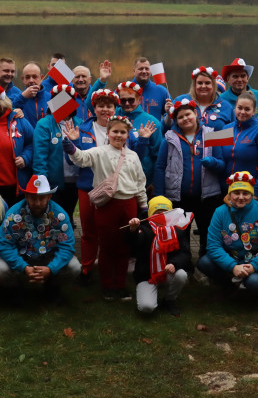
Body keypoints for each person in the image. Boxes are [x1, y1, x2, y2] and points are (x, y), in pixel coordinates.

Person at [63, 115, 150, 300]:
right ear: (108, 133)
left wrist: (143, 205)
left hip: (129, 205)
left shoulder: (133, 156)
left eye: (122, 132)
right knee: (108, 246)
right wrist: (71, 146)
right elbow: (81, 158)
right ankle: (107, 286)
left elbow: (140, 182)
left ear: (127, 135)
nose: (118, 135)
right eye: (115, 131)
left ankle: (120, 284)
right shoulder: (99, 151)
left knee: (125, 247)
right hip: (107, 206)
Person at [154, 99, 225, 256]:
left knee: (208, 233)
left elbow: (222, 165)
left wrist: (212, 162)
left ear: (196, 113)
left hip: (207, 197)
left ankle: (205, 266)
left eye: (188, 114)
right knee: (181, 234)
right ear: (176, 121)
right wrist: (159, 194)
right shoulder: (169, 138)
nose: (185, 119)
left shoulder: (213, 134)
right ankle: (183, 266)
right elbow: (160, 167)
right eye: (180, 117)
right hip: (179, 197)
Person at [0, 174, 81, 300]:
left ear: (49, 196)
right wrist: (23, 267)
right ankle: (16, 290)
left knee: (74, 266)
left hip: (49, 257)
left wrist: (51, 269)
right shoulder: (13, 215)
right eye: (33, 198)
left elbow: (67, 247)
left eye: (42, 198)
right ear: (26, 196)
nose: (37, 203)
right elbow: (5, 246)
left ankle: (52, 286)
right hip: (22, 257)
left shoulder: (60, 215)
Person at [197, 172, 258, 301]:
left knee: (255, 282)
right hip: (233, 258)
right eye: (236, 193)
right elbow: (213, 246)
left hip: (255, 259)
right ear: (230, 194)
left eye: (246, 193)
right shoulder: (220, 212)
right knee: (204, 262)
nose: (241, 197)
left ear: (252, 195)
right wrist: (232, 266)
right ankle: (228, 286)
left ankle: (257, 292)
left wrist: (254, 266)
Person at [70, 88, 121, 282]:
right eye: (101, 106)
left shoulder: (121, 128)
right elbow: (73, 162)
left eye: (109, 106)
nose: (105, 110)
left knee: (112, 230)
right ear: (94, 108)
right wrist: (72, 145)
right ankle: (87, 267)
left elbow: (132, 156)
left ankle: (111, 267)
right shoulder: (82, 129)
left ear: (115, 108)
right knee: (89, 230)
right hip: (87, 186)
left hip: (114, 187)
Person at [125, 196, 194, 316]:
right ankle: (150, 293)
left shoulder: (177, 230)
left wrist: (174, 264)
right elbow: (133, 245)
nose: (161, 216)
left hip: (168, 272)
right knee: (146, 307)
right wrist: (133, 231)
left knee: (181, 275)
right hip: (147, 275)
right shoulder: (143, 229)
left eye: (164, 213)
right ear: (150, 214)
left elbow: (185, 254)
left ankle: (169, 300)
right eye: (157, 213)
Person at [32, 84, 81, 217]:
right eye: (59, 100)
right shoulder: (44, 124)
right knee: (57, 216)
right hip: (54, 183)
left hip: (77, 181)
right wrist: (43, 182)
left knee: (69, 214)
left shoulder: (80, 123)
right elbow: (39, 157)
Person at [115, 81, 162, 192]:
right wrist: (102, 81)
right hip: (116, 179)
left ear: (139, 99)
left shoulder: (152, 122)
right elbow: (91, 105)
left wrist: (154, 182)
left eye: (131, 100)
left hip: (142, 180)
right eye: (123, 100)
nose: (127, 103)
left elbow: (158, 156)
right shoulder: (113, 116)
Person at [92, 57, 172, 121]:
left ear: (150, 71)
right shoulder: (123, 90)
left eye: (147, 69)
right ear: (134, 71)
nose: (144, 71)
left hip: (154, 135)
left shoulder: (161, 91)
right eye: (140, 69)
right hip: (127, 136)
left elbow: (172, 116)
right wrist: (102, 80)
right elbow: (99, 107)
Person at [17, 61, 52, 126]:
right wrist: (23, 97)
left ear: (41, 78)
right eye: (27, 77)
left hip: (45, 136)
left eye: (34, 77)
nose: (31, 80)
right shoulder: (17, 97)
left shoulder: (50, 97)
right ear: (23, 79)